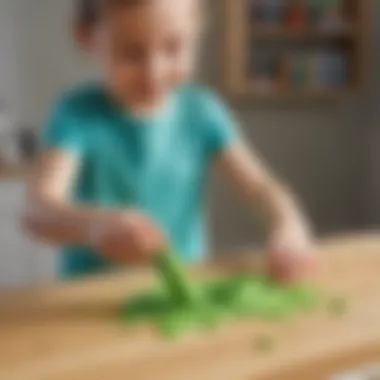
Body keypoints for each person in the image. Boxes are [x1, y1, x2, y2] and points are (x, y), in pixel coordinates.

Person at [23, 0, 314, 281]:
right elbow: (37, 211)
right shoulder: (77, 115)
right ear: (86, 37)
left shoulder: (203, 113)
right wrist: (94, 226)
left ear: (197, 28)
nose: (154, 72)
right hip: (91, 299)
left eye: (173, 47)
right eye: (131, 53)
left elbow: (261, 188)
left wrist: (288, 224)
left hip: (180, 292)